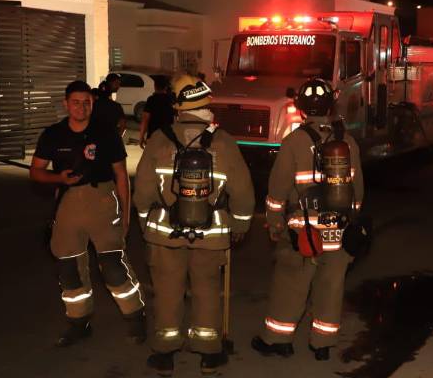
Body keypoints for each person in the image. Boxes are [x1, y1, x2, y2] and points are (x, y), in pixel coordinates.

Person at [133, 74, 254, 376]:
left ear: (178, 106)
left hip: (164, 236)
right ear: (206, 104)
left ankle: (164, 355)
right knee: (207, 291)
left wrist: (146, 223)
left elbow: (143, 195)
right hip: (211, 237)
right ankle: (209, 355)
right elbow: (243, 194)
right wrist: (239, 227)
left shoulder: (159, 140)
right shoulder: (224, 142)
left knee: (167, 292)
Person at [251, 78, 364, 362]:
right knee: (331, 286)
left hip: (302, 233)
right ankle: (322, 345)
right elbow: (357, 190)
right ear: (330, 106)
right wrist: (350, 220)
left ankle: (278, 340)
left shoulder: (295, 141)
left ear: (301, 108)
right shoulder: (347, 142)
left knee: (291, 284)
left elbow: (277, 190)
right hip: (337, 230)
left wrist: (275, 223)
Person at [29, 80, 145, 347]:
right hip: (68, 204)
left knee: (113, 268)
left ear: (92, 103)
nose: (81, 107)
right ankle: (79, 323)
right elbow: (35, 171)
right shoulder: (53, 134)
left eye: (86, 102)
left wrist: (126, 216)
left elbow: (121, 176)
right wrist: (58, 177)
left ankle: (136, 319)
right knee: (68, 269)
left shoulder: (106, 133)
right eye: (76, 102)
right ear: (66, 104)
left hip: (102, 201)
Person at [139, 75, 175, 149]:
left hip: (153, 136)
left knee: (152, 159)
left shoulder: (151, 100)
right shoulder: (171, 100)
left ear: (155, 86)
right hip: (168, 136)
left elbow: (145, 119)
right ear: (166, 87)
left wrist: (141, 137)